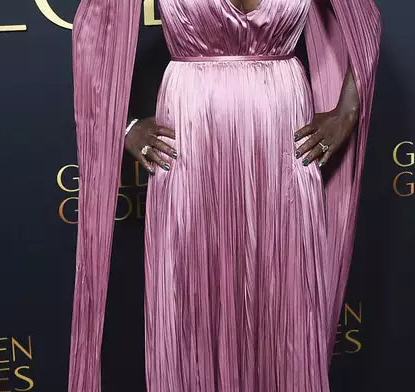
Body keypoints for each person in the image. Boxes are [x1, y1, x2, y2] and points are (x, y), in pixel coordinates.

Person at [68, 0, 381, 391]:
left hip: (281, 139)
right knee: (190, 299)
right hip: (192, 136)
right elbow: (94, 31)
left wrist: (348, 110)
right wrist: (124, 126)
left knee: (284, 301)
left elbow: (364, 19)